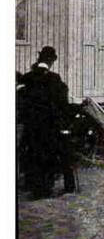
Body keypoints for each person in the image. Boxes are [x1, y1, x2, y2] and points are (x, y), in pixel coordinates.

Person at [18, 46, 75, 199]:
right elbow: (62, 102)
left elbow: (21, 101)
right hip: (50, 125)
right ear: (51, 61)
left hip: (31, 125)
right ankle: (46, 188)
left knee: (33, 154)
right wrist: (64, 121)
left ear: (39, 59)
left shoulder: (27, 78)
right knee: (49, 154)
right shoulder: (54, 79)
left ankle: (35, 187)